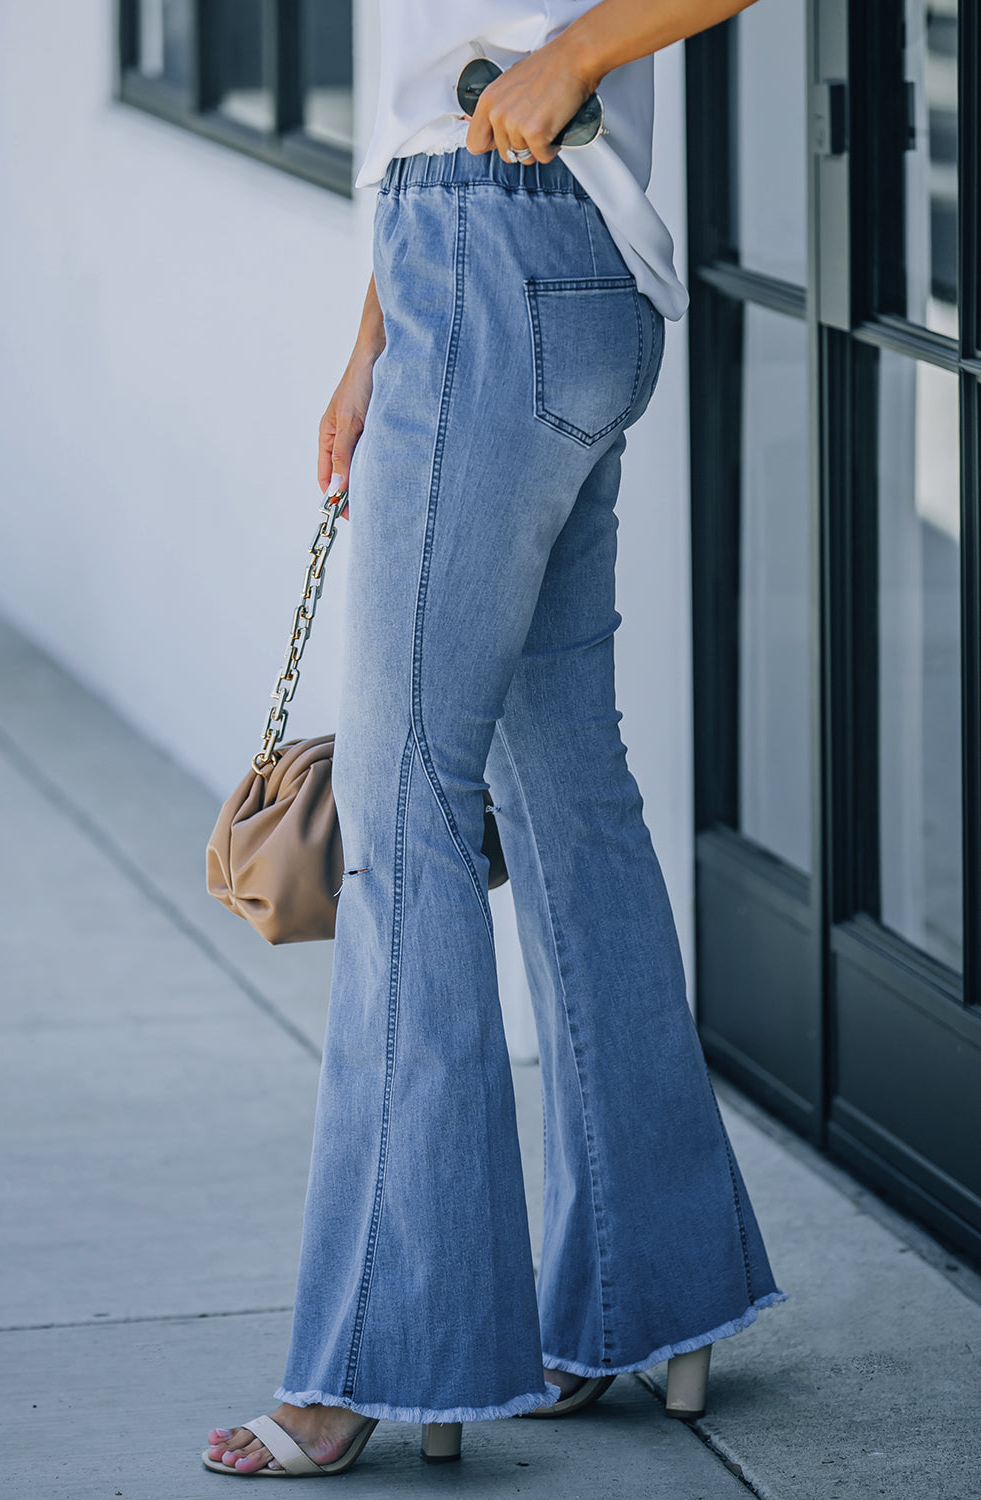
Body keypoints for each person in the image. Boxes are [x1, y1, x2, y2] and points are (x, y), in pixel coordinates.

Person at [204, 0, 784, 1479]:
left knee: (402, 823)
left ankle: (383, 1359)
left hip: (490, 241)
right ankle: (651, 1302)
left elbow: (436, 104)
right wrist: (370, 337)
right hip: (546, 264)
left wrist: (572, 55)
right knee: (565, 800)